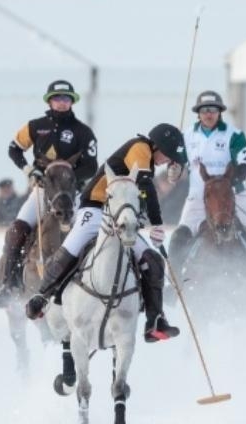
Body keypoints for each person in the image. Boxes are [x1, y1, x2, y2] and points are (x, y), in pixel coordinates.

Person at [24, 124, 186, 343]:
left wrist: (172, 174)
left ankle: (155, 320)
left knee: (152, 259)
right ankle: (41, 296)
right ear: (157, 145)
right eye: (168, 155)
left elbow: (140, 198)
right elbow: (147, 188)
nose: (168, 160)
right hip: (95, 207)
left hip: (120, 215)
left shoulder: (149, 159)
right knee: (72, 248)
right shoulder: (141, 148)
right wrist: (157, 223)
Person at [0, 80, 98, 307]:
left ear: (72, 102)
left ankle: (94, 285)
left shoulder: (83, 132)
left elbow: (91, 166)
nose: (62, 102)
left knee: (90, 233)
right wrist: (28, 169)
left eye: (66, 99)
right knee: (16, 231)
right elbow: (14, 148)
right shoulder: (35, 126)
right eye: (58, 98)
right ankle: (10, 285)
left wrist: (69, 176)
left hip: (72, 195)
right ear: (50, 101)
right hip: (42, 191)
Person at [170, 90, 246, 304]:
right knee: (178, 237)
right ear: (198, 114)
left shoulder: (233, 134)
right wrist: (173, 170)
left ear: (220, 112)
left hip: (234, 195)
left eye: (212, 110)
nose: (208, 114)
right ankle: (172, 287)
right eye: (204, 111)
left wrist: (235, 177)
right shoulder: (186, 135)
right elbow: (177, 163)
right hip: (197, 197)